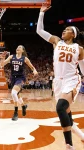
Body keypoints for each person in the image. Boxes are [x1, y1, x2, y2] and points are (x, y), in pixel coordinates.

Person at [36, 3, 84, 150]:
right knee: (66, 114)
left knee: (60, 107)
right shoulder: (56, 41)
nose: (65, 30)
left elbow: (83, 68)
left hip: (72, 80)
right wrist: (41, 13)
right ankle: (82, 137)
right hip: (58, 82)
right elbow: (39, 30)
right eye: (65, 29)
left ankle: (69, 145)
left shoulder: (79, 49)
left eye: (68, 29)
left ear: (73, 35)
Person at [0, 45, 38, 121]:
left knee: (13, 93)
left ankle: (16, 112)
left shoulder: (24, 58)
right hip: (12, 78)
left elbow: (31, 66)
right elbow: (2, 64)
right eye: (17, 47)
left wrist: (34, 70)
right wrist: (2, 57)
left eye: (20, 47)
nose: (18, 48)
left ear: (22, 51)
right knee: (17, 94)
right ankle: (23, 106)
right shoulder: (11, 57)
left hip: (21, 78)